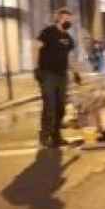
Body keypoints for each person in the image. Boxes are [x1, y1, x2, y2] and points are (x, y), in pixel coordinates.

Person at [34, 8, 81, 147]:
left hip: (62, 75)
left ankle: (56, 136)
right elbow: (35, 47)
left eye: (70, 19)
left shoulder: (67, 38)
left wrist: (76, 72)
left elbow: (70, 56)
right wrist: (36, 68)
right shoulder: (48, 32)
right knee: (50, 106)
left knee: (61, 107)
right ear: (59, 18)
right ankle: (45, 135)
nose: (68, 22)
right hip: (48, 73)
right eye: (66, 19)